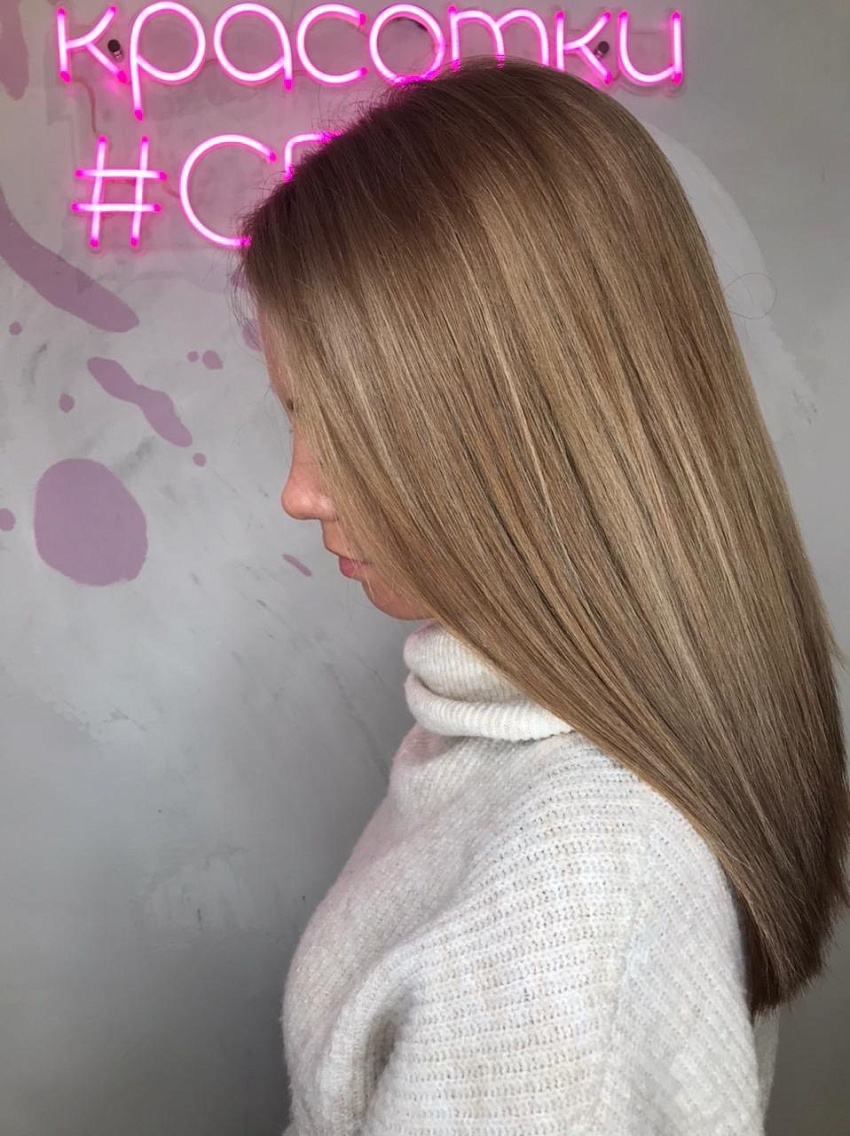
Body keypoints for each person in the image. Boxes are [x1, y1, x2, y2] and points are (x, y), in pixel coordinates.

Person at [236, 57, 848, 1135]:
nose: (299, 491)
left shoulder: (574, 894)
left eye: (341, 420)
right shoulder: (509, 743)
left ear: (517, 420)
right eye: (295, 416)